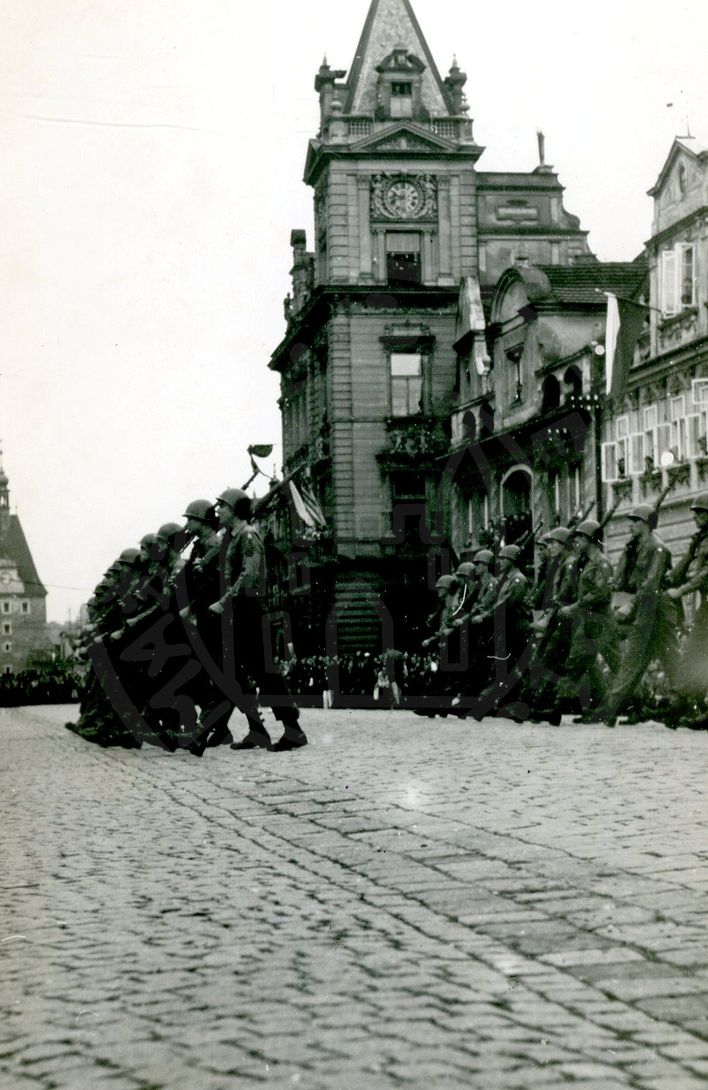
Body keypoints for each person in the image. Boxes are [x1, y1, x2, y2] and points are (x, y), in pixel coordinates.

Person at [209, 488, 308, 752]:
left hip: (251, 609)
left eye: (222, 507)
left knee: (264, 672)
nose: (218, 511)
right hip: (241, 609)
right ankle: (257, 730)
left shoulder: (249, 536)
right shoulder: (234, 537)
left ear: (234, 510)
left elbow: (248, 576)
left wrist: (223, 601)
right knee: (242, 673)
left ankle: (293, 730)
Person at [595, 505, 678, 726]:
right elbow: (624, 580)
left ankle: (613, 710)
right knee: (643, 661)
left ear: (645, 524)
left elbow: (651, 584)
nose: (629, 525)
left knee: (647, 660)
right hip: (645, 611)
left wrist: (630, 605)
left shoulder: (658, 548)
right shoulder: (634, 547)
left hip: (655, 610)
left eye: (634, 521)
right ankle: (629, 709)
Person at [557, 520, 620, 720]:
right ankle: (558, 704)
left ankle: (636, 703)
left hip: (601, 621)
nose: (577, 541)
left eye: (581, 537)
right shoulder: (587, 563)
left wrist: (574, 608)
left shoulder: (601, 563)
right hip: (588, 621)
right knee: (576, 660)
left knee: (617, 663)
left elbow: (602, 593)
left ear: (591, 540)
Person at [664, 492, 708, 728]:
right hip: (706, 606)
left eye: (701, 513)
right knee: (692, 650)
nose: (695, 517)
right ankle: (680, 700)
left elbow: (705, 574)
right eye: (695, 513)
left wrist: (681, 591)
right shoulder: (701, 539)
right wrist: (671, 577)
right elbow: (685, 566)